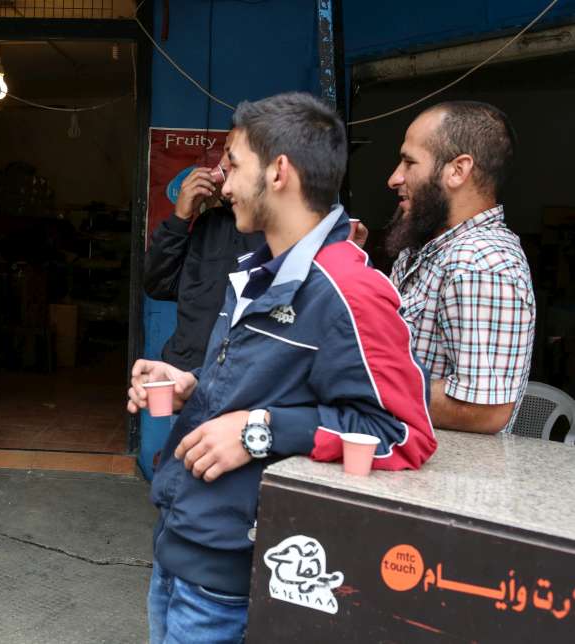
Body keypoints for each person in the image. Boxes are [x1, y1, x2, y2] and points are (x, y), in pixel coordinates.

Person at [127, 92, 436, 643]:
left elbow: (401, 435)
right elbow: (261, 385)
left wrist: (258, 431)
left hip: (232, 576)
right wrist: (192, 386)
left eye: (234, 165)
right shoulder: (259, 271)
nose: (223, 184)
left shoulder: (350, 290)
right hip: (181, 544)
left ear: (278, 172)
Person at [386, 101, 535, 434]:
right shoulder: (421, 250)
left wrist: (363, 387)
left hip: (447, 481)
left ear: (458, 170)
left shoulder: (480, 262)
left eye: (409, 162)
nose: (394, 178)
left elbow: (484, 409)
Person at [143, 129, 263, 372]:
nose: (222, 165)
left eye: (232, 156)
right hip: (188, 375)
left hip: (243, 382)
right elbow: (159, 284)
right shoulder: (209, 223)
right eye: (224, 155)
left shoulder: (280, 233)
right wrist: (180, 217)